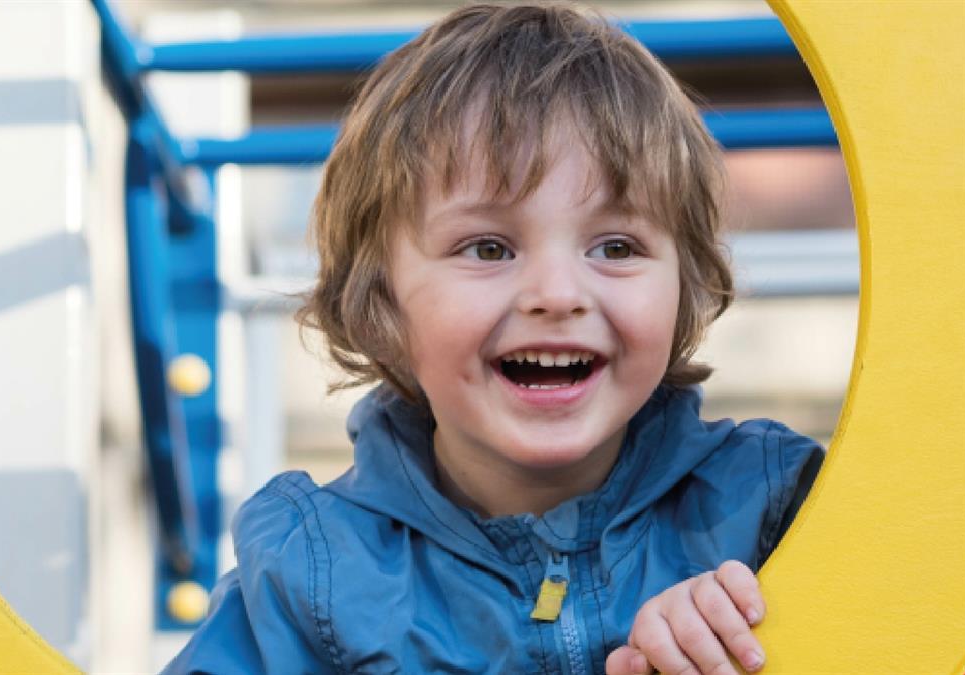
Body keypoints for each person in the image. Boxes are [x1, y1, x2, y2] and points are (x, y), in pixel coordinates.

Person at [166, 3, 823, 674]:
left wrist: (762, 638)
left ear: (683, 282)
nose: (557, 294)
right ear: (381, 297)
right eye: (488, 248)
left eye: (616, 246)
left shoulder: (771, 510)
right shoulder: (312, 578)